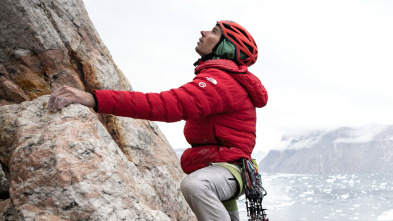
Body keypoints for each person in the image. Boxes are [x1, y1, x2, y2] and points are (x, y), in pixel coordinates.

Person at [49, 20, 268, 221]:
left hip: (225, 171)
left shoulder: (221, 83)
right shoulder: (224, 80)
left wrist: (93, 98)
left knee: (196, 186)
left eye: (214, 32)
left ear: (226, 48)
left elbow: (165, 105)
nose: (204, 31)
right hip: (227, 170)